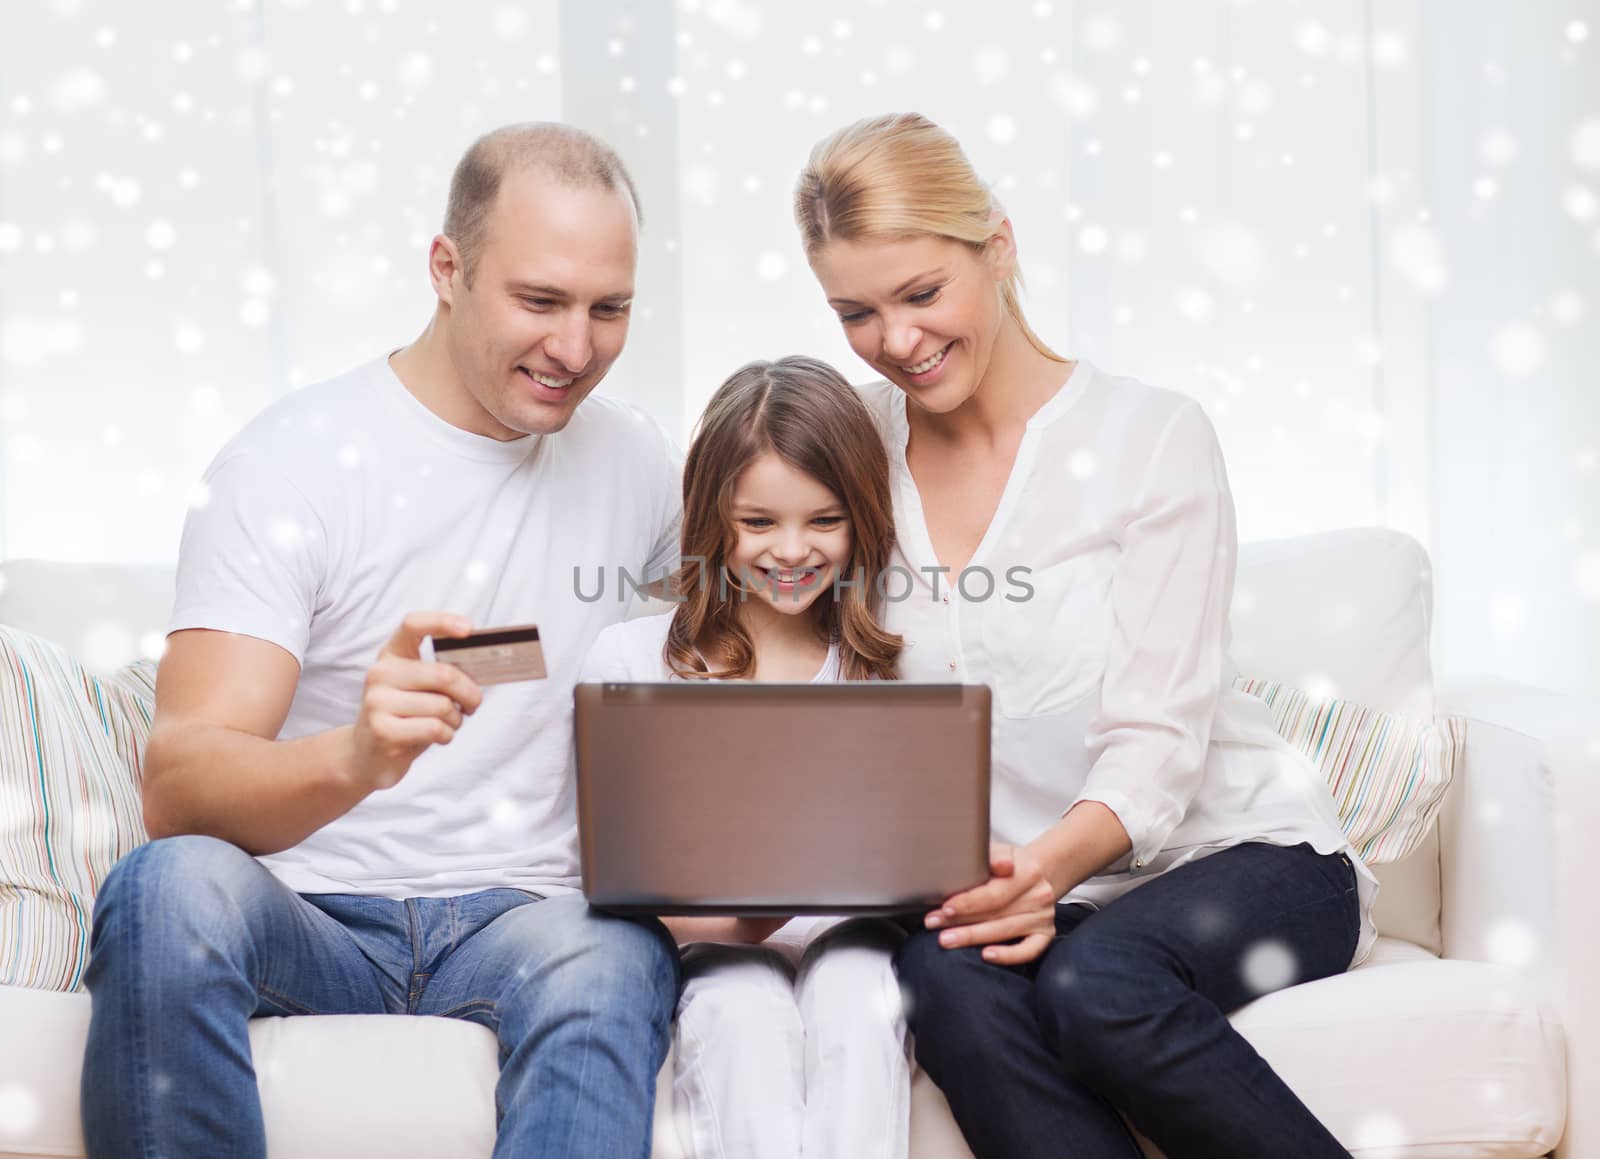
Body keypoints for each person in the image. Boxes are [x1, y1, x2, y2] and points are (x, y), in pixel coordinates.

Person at [80, 123, 684, 1159]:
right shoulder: (291, 464)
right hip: (312, 909)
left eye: (608, 309)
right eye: (539, 301)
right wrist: (357, 756)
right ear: (447, 269)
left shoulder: (638, 465)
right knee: (162, 887)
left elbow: (731, 661)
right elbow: (179, 787)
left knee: (615, 952)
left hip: (530, 917)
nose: (574, 348)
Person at [792, 111, 1380, 1159]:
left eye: (922, 293)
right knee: (939, 976)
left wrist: (1045, 873)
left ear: (1000, 244)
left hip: (1241, 856)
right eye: (856, 313)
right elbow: (756, 598)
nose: (896, 341)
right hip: (1026, 887)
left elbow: (1157, 740)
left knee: (1093, 980)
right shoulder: (850, 455)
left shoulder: (1149, 439)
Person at [579, 356, 912, 1159]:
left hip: (858, 937)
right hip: (711, 944)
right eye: (758, 523)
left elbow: (922, 855)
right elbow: (610, 879)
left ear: (862, 520)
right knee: (740, 1012)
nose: (791, 551)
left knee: (860, 1000)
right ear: (711, 520)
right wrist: (739, 919)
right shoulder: (632, 660)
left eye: (823, 521)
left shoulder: (893, 666)